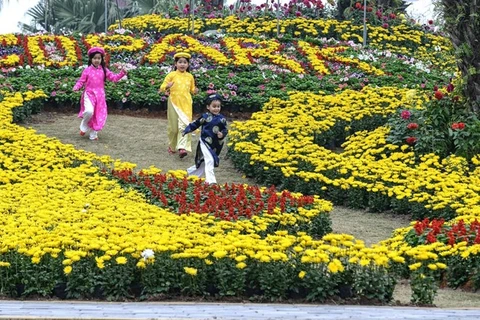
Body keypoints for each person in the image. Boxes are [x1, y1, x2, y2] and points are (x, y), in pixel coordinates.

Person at [73, 47, 127, 140]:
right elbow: (81, 81)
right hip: (89, 94)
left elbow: (113, 78)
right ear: (91, 59)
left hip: (100, 96)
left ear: (101, 59)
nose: (96, 60)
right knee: (89, 111)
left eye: (99, 58)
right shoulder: (87, 70)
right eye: (94, 58)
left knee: (97, 115)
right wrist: (76, 87)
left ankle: (93, 135)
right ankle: (84, 124)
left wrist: (122, 73)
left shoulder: (104, 70)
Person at [182, 93, 228, 185]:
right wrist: (187, 130)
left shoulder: (222, 119)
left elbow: (225, 129)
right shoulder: (205, 117)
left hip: (216, 144)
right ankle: (210, 181)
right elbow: (196, 124)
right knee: (209, 160)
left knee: (203, 163)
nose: (216, 108)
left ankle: (189, 173)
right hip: (205, 142)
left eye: (218, 106)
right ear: (208, 107)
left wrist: (221, 134)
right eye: (214, 106)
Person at [159, 52, 198, 158]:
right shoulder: (171, 75)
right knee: (173, 129)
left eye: (185, 62)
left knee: (184, 125)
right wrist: (167, 86)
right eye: (180, 62)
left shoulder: (190, 76)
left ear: (188, 64)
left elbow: (192, 89)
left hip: (186, 104)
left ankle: (182, 147)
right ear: (175, 64)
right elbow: (162, 87)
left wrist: (195, 91)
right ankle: (172, 146)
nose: (182, 64)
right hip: (173, 103)